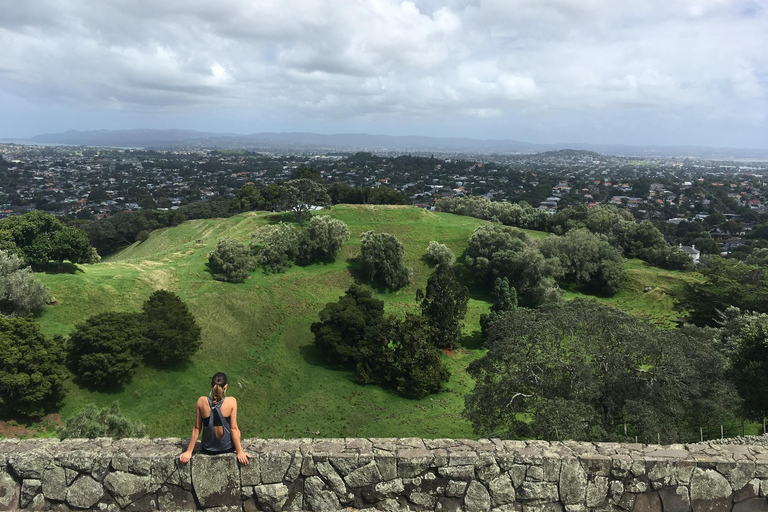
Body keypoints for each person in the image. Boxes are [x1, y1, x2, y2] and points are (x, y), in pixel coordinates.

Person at [179, 372, 250, 464]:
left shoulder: (201, 401)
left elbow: (197, 428)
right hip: (227, 448)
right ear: (225, 387)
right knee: (237, 430)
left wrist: (189, 452)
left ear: (211, 385)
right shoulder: (231, 401)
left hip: (208, 448)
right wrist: (240, 452)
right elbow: (233, 429)